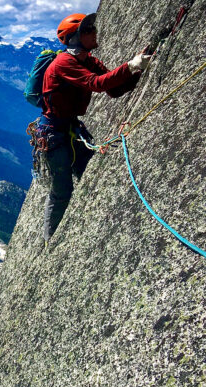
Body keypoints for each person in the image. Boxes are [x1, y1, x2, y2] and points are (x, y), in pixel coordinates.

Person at [39, 12, 151, 243]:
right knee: (62, 192)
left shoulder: (88, 60)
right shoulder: (64, 64)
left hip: (68, 129)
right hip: (54, 135)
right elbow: (96, 84)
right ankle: (49, 245)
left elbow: (113, 89)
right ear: (75, 38)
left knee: (90, 175)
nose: (95, 32)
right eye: (89, 29)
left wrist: (138, 70)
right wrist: (130, 66)